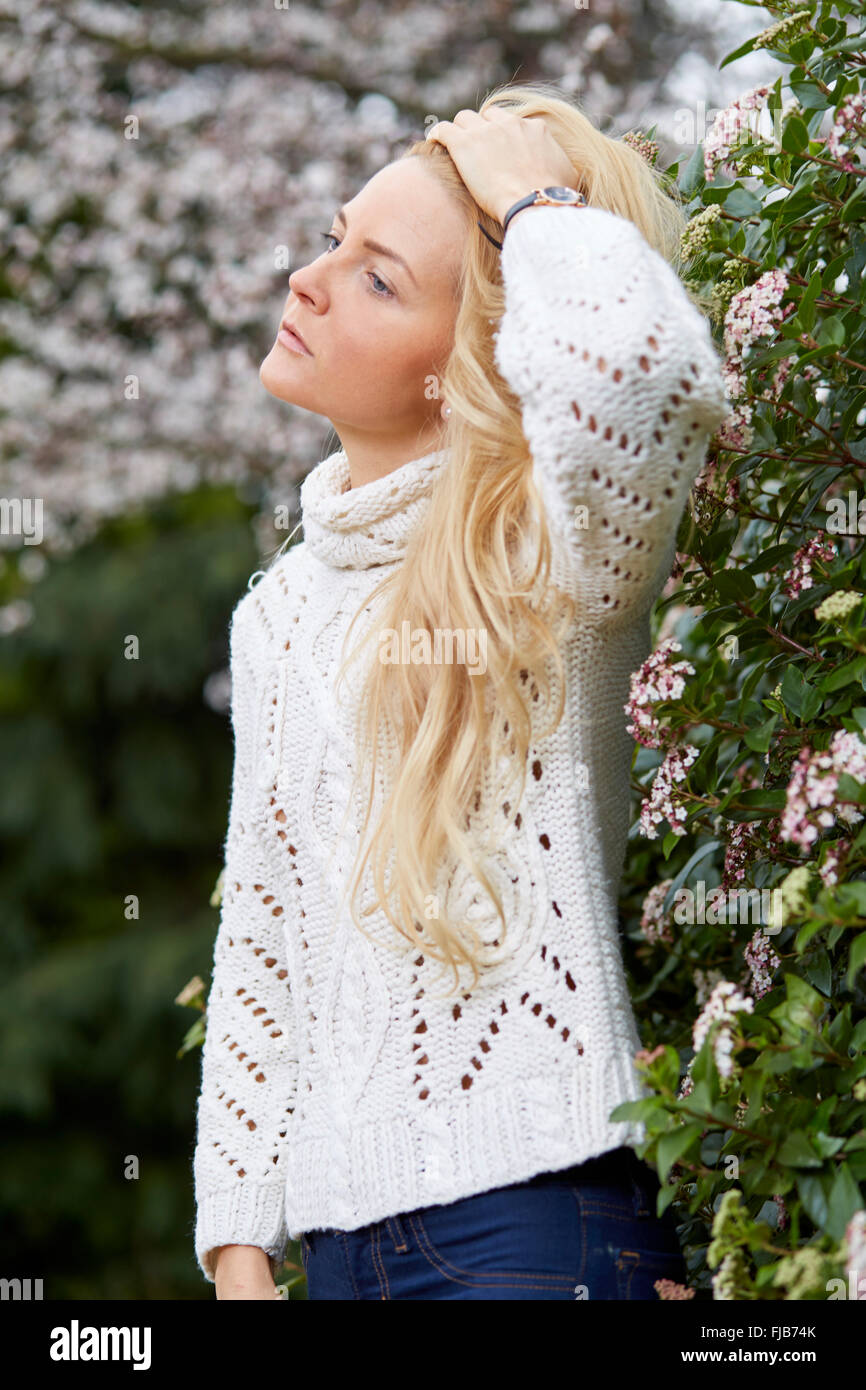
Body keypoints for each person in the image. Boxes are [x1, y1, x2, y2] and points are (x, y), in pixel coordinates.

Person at [192, 80, 728, 1300]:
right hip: (335, 1256)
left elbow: (642, 374)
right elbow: (265, 946)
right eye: (336, 240)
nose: (310, 280)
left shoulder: (548, 562)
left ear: (474, 360)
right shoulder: (277, 616)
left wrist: (531, 202)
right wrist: (238, 1256)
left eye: (380, 278)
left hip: (533, 1234)